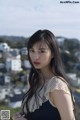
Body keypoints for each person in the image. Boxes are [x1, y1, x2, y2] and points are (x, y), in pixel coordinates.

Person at [12, 29, 75, 120]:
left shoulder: (56, 85)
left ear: (53, 53)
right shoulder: (35, 81)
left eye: (42, 51)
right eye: (32, 50)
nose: (35, 56)